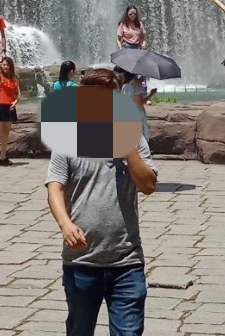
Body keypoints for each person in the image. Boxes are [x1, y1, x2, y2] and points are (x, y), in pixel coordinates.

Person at [45, 67, 158, 336]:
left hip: (127, 261)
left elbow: (149, 186)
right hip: (81, 261)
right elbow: (55, 187)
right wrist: (65, 224)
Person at [0, 54, 19, 167]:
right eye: (4, 65)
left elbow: (18, 94)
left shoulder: (14, 79)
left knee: (6, 132)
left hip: (10, 107)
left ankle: (2, 156)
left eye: (7, 65)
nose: (5, 67)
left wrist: (15, 102)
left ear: (11, 66)